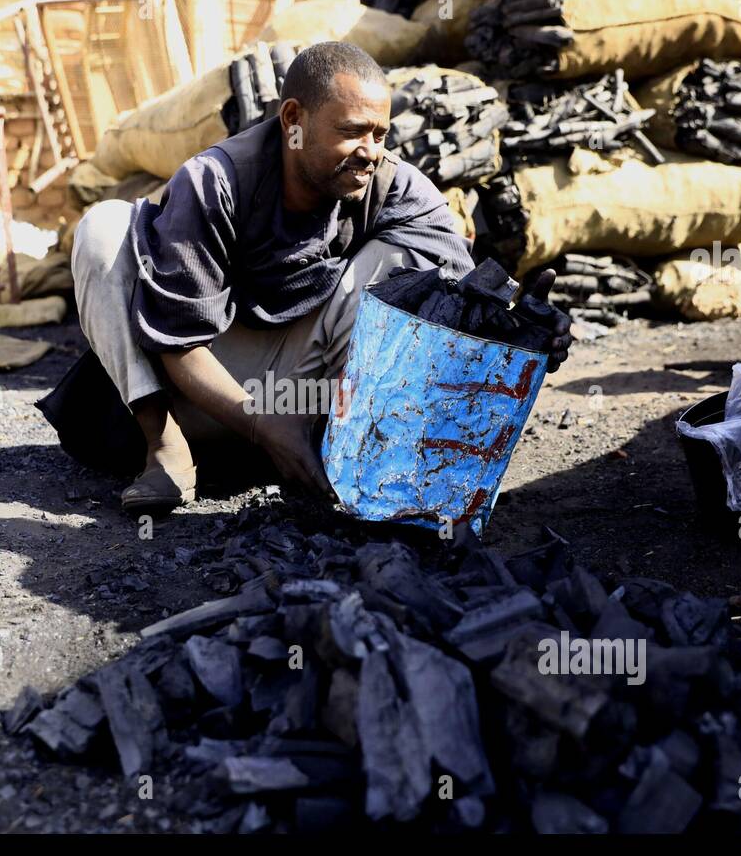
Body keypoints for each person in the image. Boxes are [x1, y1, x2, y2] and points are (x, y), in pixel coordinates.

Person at [70, 41, 572, 513]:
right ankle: (166, 449)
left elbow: (466, 296)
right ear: (294, 120)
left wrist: (523, 334)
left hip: (308, 394)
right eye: (352, 131)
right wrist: (260, 423)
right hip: (198, 389)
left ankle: (347, 449)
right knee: (103, 228)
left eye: (380, 134)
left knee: (406, 262)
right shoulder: (216, 182)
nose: (371, 150)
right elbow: (177, 337)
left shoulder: (392, 184)